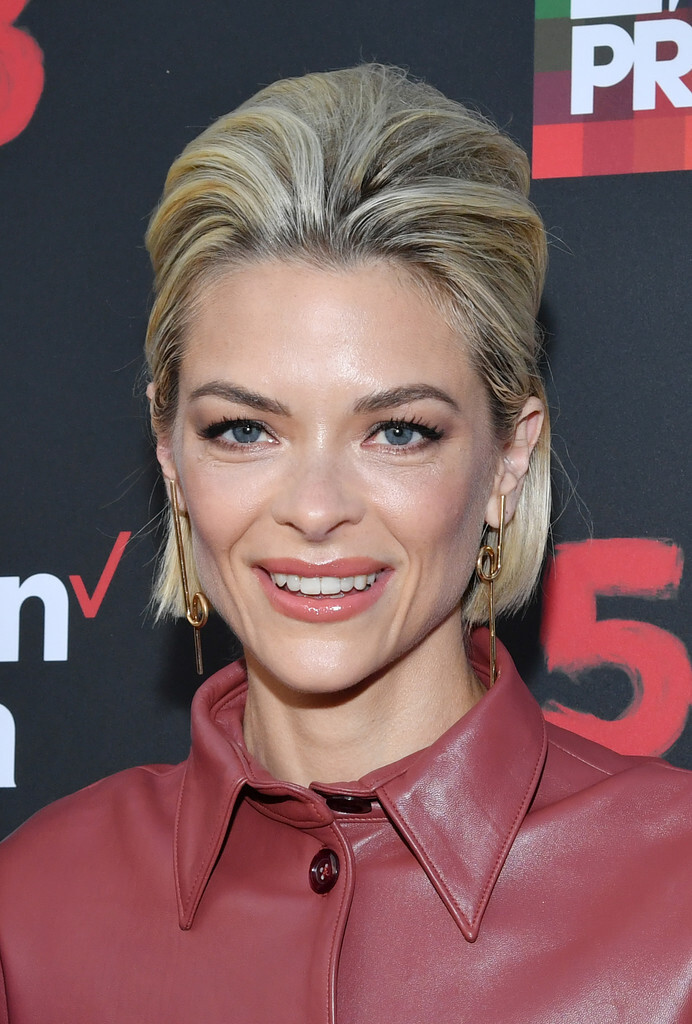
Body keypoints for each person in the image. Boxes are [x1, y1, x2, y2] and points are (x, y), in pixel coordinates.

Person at [0, 64, 690, 1023]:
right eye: (244, 430)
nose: (316, 508)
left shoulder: (674, 900)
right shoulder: (33, 908)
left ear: (508, 458)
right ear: (170, 455)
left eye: (397, 432)